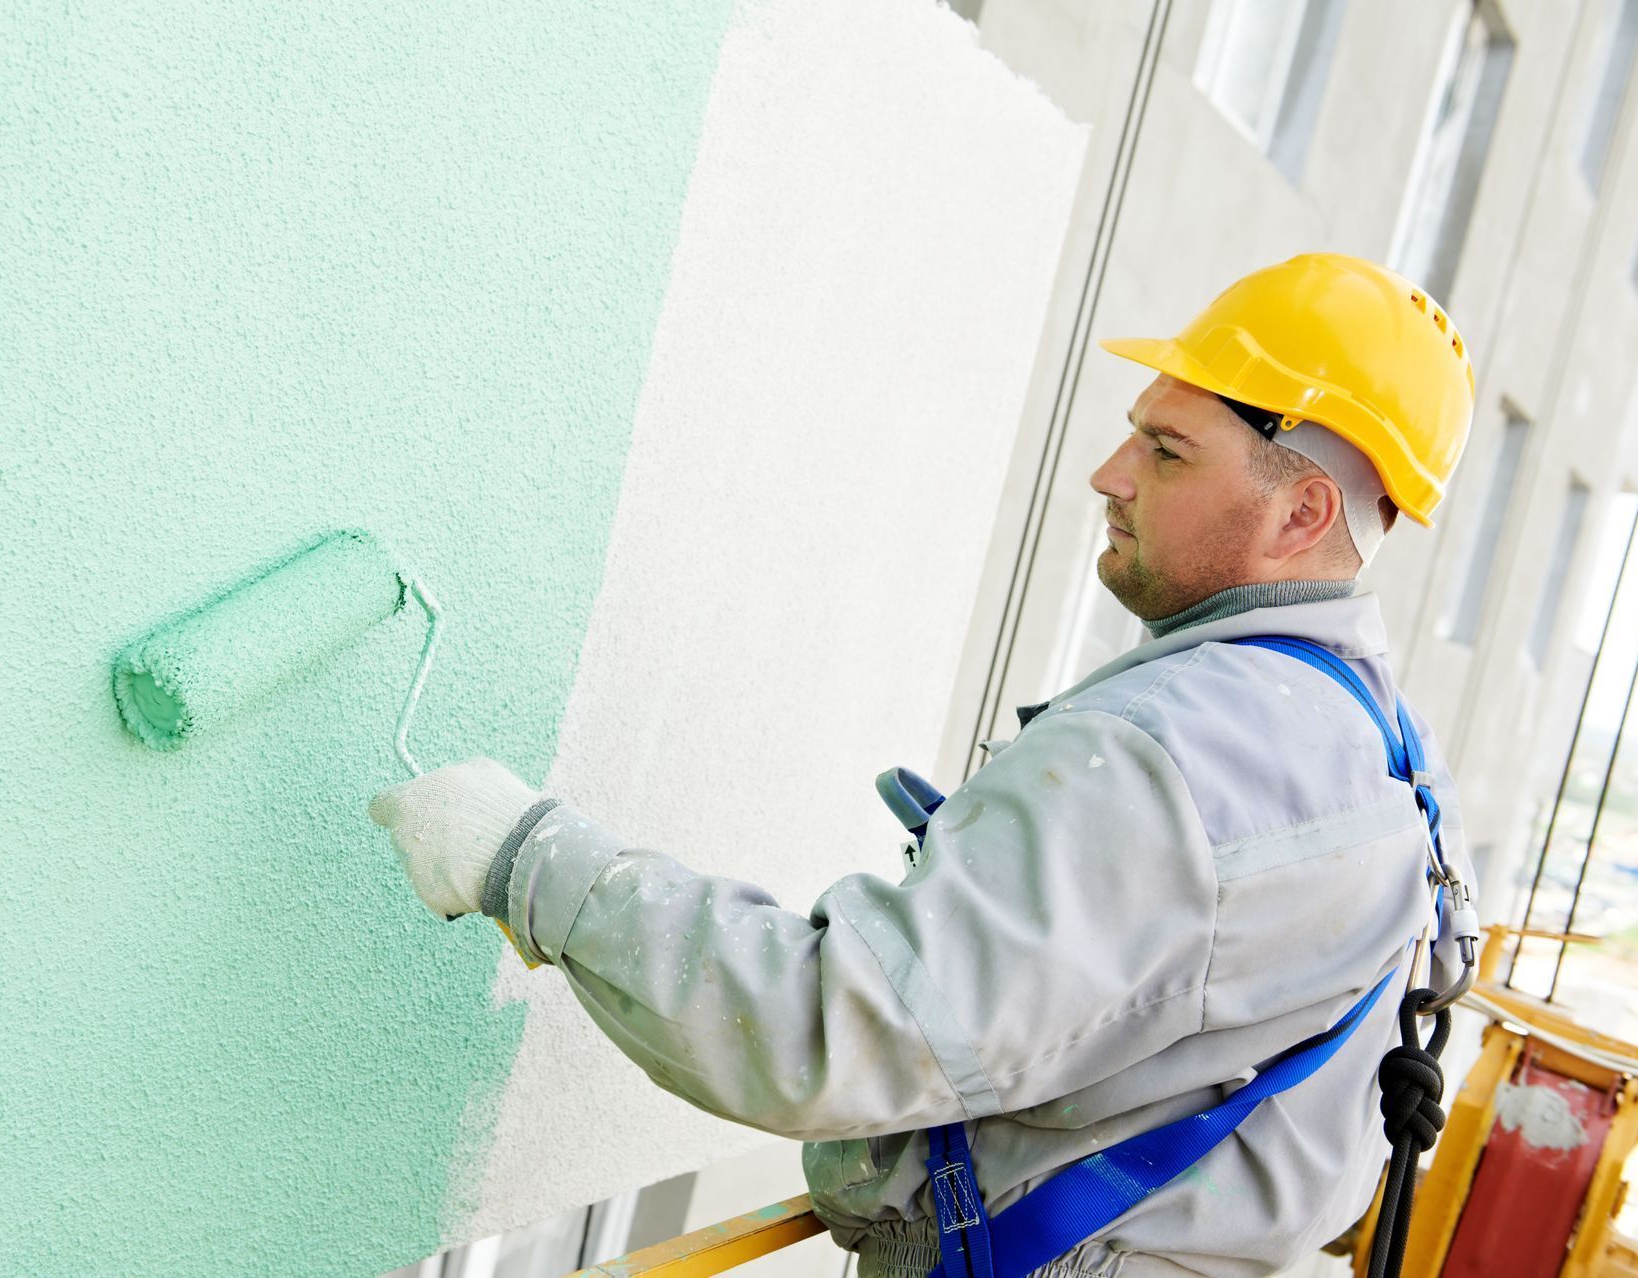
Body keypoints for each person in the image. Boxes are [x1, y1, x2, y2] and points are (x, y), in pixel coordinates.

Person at [370, 253, 1478, 1278]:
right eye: (1134, 432)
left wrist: (523, 860)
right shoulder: (1376, 753)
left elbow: (833, 1032)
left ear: (1304, 510)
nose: (1109, 473)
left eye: (1167, 450)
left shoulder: (1170, 757)